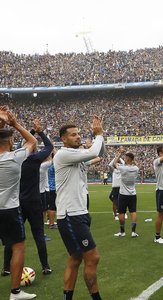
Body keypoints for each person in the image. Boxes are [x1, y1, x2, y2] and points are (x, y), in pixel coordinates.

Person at [0, 107, 38, 300]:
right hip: (10, 210)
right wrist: (14, 124)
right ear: (12, 141)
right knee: (18, 247)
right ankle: (15, 292)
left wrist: (2, 122)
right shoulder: (16, 157)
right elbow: (33, 141)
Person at [53, 116, 105, 300]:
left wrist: (100, 135)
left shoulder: (75, 156)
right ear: (64, 140)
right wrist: (97, 136)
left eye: (79, 134)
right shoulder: (63, 154)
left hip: (79, 213)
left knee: (74, 258)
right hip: (71, 215)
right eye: (73, 135)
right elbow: (92, 153)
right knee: (93, 257)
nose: (78, 137)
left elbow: (99, 154)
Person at [1, 121, 53, 276]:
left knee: (12, 236)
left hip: (17, 202)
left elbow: (20, 146)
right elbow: (49, 147)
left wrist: (31, 131)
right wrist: (40, 132)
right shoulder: (35, 159)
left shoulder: (15, 158)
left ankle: (6, 267)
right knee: (38, 234)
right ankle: (45, 266)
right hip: (34, 202)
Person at [113, 149, 140, 237]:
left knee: (121, 212)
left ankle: (122, 232)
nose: (124, 159)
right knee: (133, 212)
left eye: (125, 158)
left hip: (123, 193)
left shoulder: (123, 168)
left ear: (128, 159)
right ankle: (133, 232)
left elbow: (114, 164)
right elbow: (133, 165)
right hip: (132, 193)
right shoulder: (136, 168)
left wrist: (119, 155)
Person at [107, 155, 122, 221]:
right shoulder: (113, 169)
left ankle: (122, 212)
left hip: (121, 186)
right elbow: (110, 165)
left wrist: (119, 157)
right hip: (115, 187)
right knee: (114, 201)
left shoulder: (122, 168)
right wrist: (115, 158)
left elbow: (123, 163)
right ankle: (116, 215)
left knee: (122, 201)